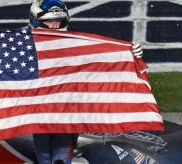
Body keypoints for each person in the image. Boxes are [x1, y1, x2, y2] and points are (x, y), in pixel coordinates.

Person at [28, 0, 143, 164]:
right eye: (48, 21)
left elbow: (103, 60)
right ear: (36, 20)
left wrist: (128, 54)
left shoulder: (77, 44)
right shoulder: (21, 47)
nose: (54, 25)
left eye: (58, 21)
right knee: (44, 157)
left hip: (65, 114)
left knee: (59, 158)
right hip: (36, 116)